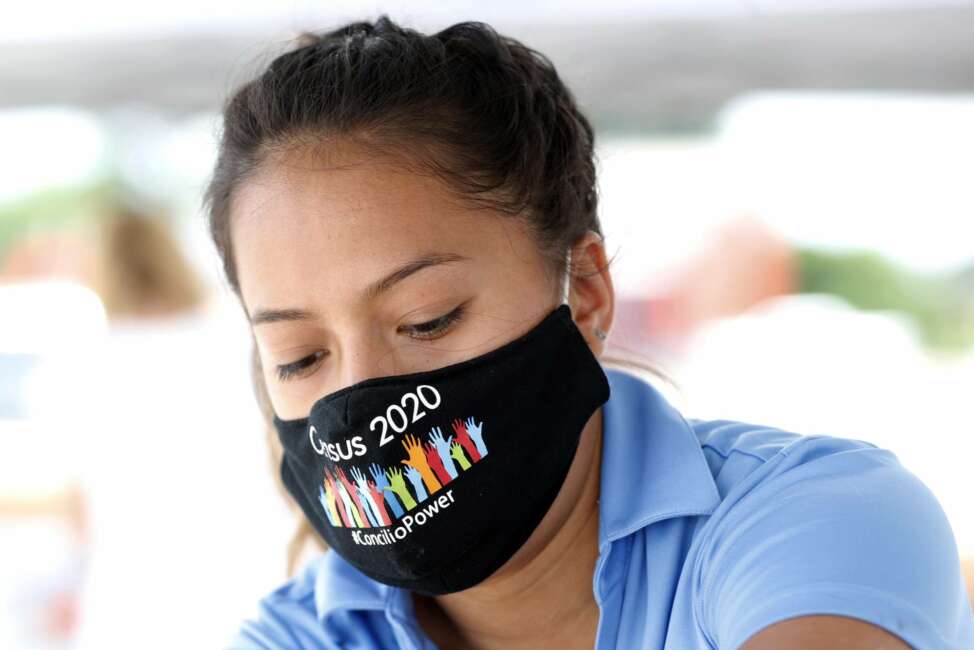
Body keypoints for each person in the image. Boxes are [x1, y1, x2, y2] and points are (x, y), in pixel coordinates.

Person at [202, 16, 974, 649]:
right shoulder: (304, 635)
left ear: (589, 293)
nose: (362, 391)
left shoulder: (812, 525)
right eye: (298, 357)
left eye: (427, 319)